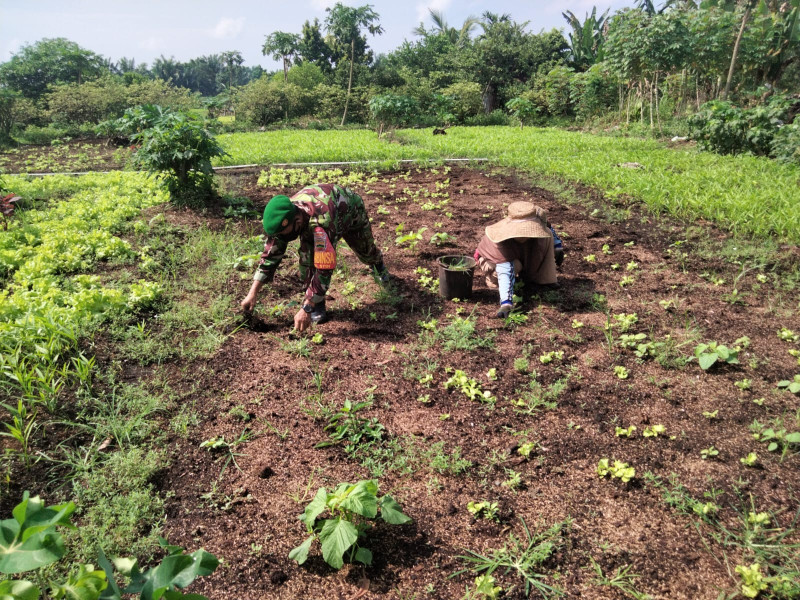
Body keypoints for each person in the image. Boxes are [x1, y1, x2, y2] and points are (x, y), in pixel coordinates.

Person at [240, 183, 390, 332]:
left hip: (349, 211)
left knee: (365, 250)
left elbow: (325, 267)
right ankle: (318, 303)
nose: (279, 238)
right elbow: (271, 254)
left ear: (297, 222)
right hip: (317, 215)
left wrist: (306, 308)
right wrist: (252, 293)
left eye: (282, 233)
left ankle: (378, 266)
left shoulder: (321, 223)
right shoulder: (287, 215)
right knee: (307, 259)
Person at [474, 201, 563, 318]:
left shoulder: (538, 223)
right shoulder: (500, 242)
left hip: (519, 253)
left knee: (545, 238)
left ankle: (543, 279)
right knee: (515, 265)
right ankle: (492, 280)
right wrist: (506, 303)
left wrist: (557, 246)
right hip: (492, 261)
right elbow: (505, 270)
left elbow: (548, 228)